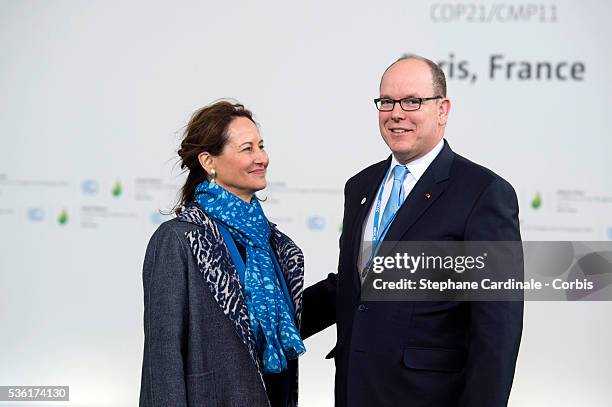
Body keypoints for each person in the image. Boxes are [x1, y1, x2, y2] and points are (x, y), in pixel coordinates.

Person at [302, 55, 523, 407]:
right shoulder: (359, 185)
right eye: (386, 101)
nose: (396, 113)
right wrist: (274, 319)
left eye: (412, 101)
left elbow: (498, 326)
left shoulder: (483, 193)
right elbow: (355, 285)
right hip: (355, 388)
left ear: (443, 109)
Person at [139, 101, 306, 407]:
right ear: (208, 161)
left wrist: (355, 284)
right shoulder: (179, 239)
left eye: (261, 146)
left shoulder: (277, 246)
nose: (262, 158)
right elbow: (163, 358)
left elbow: (281, 325)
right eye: (247, 149)